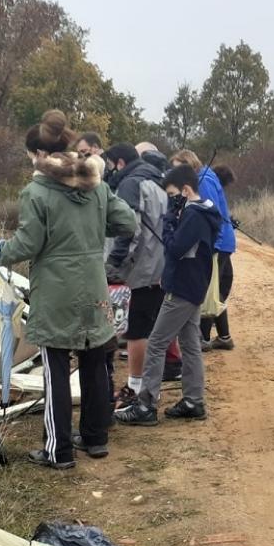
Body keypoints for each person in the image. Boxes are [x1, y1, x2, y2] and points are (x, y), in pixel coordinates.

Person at [0, 110, 136, 470]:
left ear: (38, 154)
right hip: (95, 288)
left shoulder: (36, 192)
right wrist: (95, 224)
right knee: (96, 361)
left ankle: (58, 450)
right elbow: (128, 221)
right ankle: (95, 437)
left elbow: (25, 246)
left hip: (56, 292)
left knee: (56, 370)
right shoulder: (97, 185)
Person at [115, 164, 222, 427]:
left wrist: (170, 221)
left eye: (173, 195)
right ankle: (193, 401)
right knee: (190, 343)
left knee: (156, 342)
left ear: (185, 190)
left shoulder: (194, 215)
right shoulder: (204, 210)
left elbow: (174, 248)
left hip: (182, 288)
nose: (171, 200)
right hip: (193, 285)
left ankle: (146, 404)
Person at [102, 144, 168, 402]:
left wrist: (115, 262)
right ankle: (147, 386)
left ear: (119, 162)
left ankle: (136, 387)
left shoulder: (131, 184)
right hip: (158, 266)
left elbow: (129, 229)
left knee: (135, 332)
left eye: (110, 164)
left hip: (139, 269)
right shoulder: (158, 181)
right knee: (149, 331)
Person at [170, 150, 237, 350]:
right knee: (215, 288)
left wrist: (211, 246)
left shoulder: (203, 181)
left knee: (207, 289)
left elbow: (212, 214)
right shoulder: (202, 178)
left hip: (216, 243)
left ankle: (204, 338)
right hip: (220, 241)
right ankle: (223, 337)